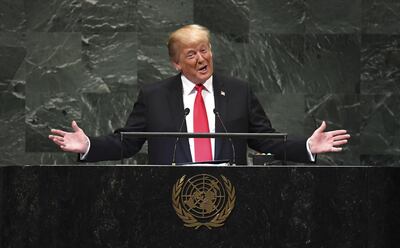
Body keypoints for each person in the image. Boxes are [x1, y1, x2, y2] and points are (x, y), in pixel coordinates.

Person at [49, 24, 350, 165]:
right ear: (176, 63)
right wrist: (88, 146)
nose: (201, 59)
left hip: (230, 195)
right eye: (190, 54)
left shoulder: (237, 91)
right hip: (168, 196)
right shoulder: (154, 96)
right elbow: (127, 143)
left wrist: (307, 147)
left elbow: (264, 139)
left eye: (204, 49)